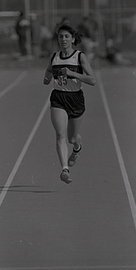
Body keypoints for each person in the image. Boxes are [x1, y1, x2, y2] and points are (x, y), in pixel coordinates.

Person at [43, 24, 96, 184]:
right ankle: (65, 169)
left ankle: (77, 149)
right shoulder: (54, 57)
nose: (63, 39)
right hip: (58, 97)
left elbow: (92, 80)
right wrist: (46, 78)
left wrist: (72, 73)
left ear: (73, 39)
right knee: (60, 134)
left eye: (66, 36)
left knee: (72, 138)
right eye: (60, 36)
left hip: (75, 99)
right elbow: (48, 71)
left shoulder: (80, 57)